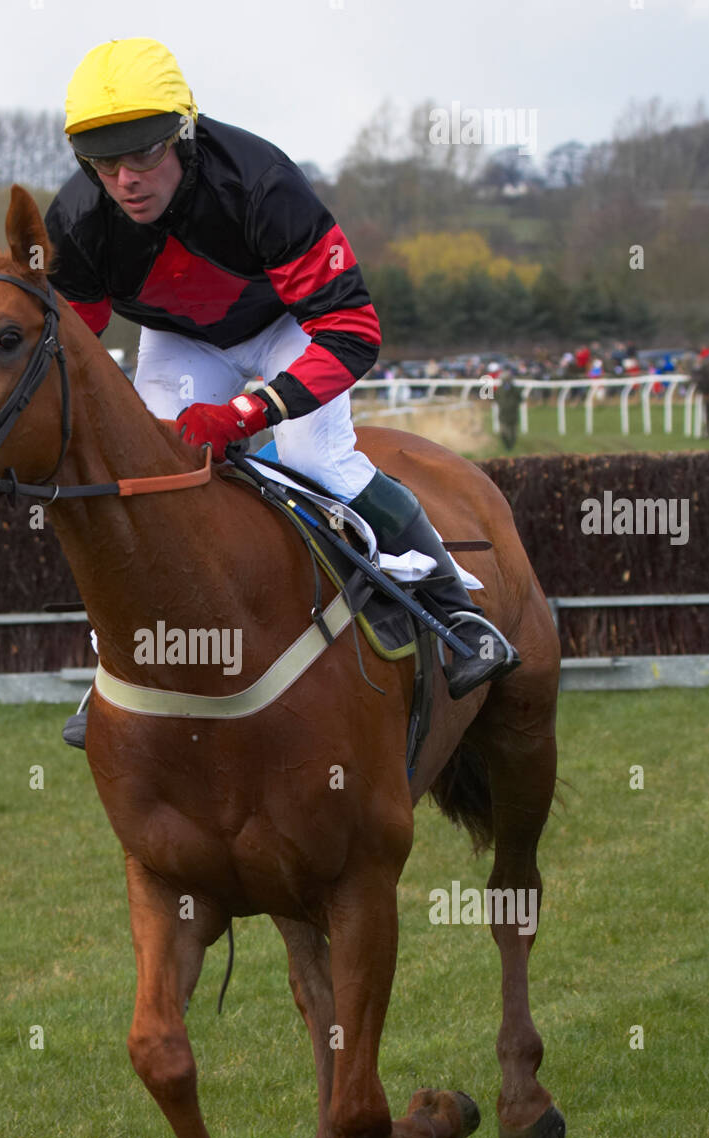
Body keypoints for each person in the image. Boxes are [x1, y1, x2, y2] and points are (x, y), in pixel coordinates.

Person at [44, 38, 518, 747]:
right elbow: (69, 354)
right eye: (102, 162)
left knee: (313, 456)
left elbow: (352, 329)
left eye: (142, 155)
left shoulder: (260, 183)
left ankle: (456, 615)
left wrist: (251, 410)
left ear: (185, 134)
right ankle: (117, 667)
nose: (124, 181)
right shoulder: (78, 221)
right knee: (142, 482)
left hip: (290, 326)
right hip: (180, 340)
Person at [497, 371, 521, 451]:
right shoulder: (499, 390)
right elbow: (496, 399)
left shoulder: (515, 390)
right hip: (503, 415)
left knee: (513, 433)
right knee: (503, 433)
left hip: (513, 415)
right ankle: (507, 447)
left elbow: (520, 399)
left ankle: (510, 448)